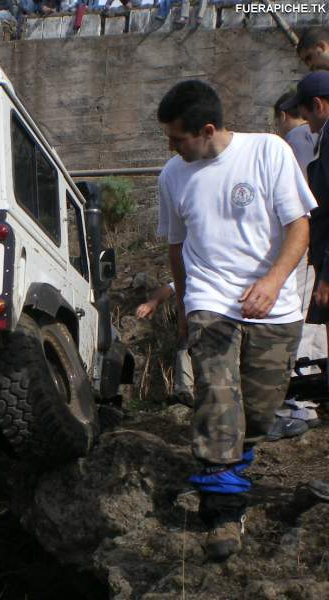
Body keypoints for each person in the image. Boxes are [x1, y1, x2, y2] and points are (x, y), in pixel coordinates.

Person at [157, 80, 315, 561]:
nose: (171, 148)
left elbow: (299, 226)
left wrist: (272, 281)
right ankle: (222, 510)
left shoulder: (268, 152)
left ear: (207, 129)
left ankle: (227, 471)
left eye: (178, 138)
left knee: (260, 412)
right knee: (218, 396)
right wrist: (186, 307)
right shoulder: (172, 175)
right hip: (211, 301)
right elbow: (176, 249)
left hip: (276, 303)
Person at [274, 90, 328, 371]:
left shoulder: (291, 141)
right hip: (318, 235)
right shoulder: (318, 134)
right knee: (317, 309)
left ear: (283, 116)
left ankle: (302, 383)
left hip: (301, 231)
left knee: (300, 307)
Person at [135, 282, 194, 406]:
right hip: (195, 322)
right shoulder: (195, 270)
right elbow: (172, 287)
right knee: (184, 344)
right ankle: (185, 392)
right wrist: (153, 302)